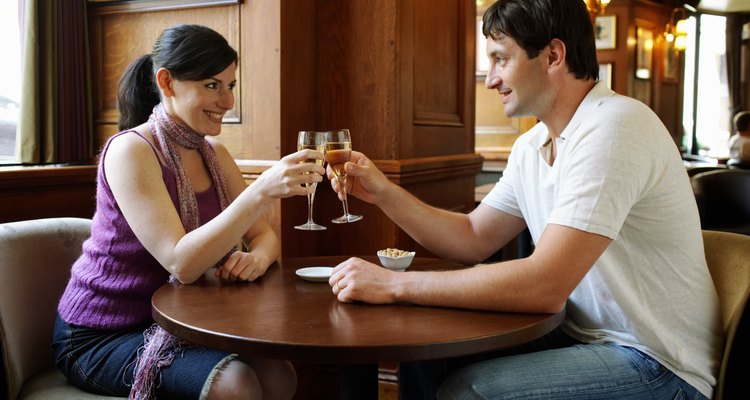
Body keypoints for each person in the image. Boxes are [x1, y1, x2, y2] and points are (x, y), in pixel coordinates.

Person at [326, 1, 722, 399]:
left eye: (501, 59)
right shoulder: (532, 145)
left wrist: (397, 286)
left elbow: (544, 285)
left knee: (471, 392)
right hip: (578, 338)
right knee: (423, 352)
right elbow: (472, 236)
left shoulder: (615, 126)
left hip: (659, 363)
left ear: (552, 55)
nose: (490, 80)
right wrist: (382, 191)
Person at [53, 24, 322, 399]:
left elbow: (264, 237)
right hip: (102, 334)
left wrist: (256, 259)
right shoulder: (131, 151)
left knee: (280, 374)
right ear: (166, 82)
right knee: (236, 384)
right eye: (212, 85)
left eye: (230, 86)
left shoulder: (216, 157)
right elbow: (181, 262)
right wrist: (260, 190)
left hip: (185, 322)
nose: (227, 102)